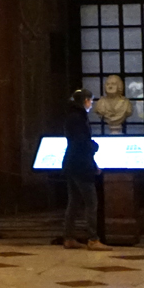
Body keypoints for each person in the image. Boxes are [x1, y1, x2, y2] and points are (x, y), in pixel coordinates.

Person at [60, 89, 105, 251]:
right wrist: (94, 147)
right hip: (81, 165)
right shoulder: (78, 118)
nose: (91, 104)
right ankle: (93, 239)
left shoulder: (71, 116)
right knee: (91, 202)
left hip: (71, 163)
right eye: (90, 101)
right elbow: (82, 143)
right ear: (85, 100)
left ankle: (69, 237)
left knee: (73, 202)